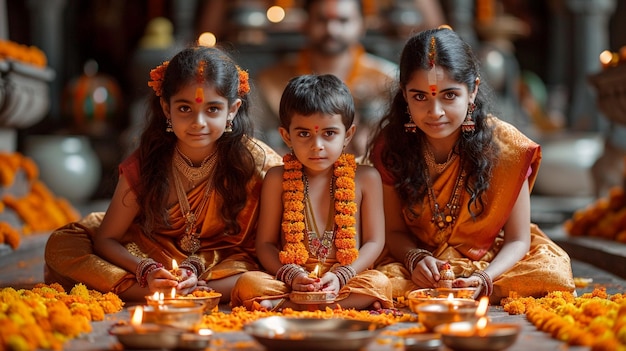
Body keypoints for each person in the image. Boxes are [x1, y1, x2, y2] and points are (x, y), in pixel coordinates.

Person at [44, 46, 283, 302]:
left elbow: (268, 246)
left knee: (257, 277)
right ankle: (161, 291)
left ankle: (180, 292)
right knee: (63, 244)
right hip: (152, 256)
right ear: (167, 109)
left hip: (223, 264)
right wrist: (145, 270)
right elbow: (107, 240)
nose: (198, 122)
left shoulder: (258, 163)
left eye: (212, 109)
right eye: (184, 109)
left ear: (232, 110)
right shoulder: (150, 160)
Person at [368, 27, 575, 304]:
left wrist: (484, 279)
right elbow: (392, 232)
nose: (435, 112)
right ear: (404, 95)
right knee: (376, 283)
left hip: (489, 262)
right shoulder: (391, 146)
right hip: (416, 266)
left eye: (449, 95)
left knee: (553, 274)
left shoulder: (507, 148)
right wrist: (414, 258)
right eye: (420, 97)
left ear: (473, 90)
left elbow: (517, 240)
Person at [231, 74, 393, 311]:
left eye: (329, 133)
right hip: (294, 280)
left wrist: (342, 275)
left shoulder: (366, 178)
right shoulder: (278, 178)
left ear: (348, 135)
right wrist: (292, 275)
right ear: (287, 136)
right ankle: (305, 301)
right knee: (249, 283)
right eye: (304, 134)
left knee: (380, 283)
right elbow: (265, 244)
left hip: (347, 277)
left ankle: (288, 306)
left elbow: (374, 241)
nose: (317, 145)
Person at [254, 0, 398, 158]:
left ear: (362, 25)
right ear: (305, 23)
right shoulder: (270, 81)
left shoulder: (388, 80)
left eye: (343, 20)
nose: (332, 29)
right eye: (322, 20)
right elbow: (257, 147)